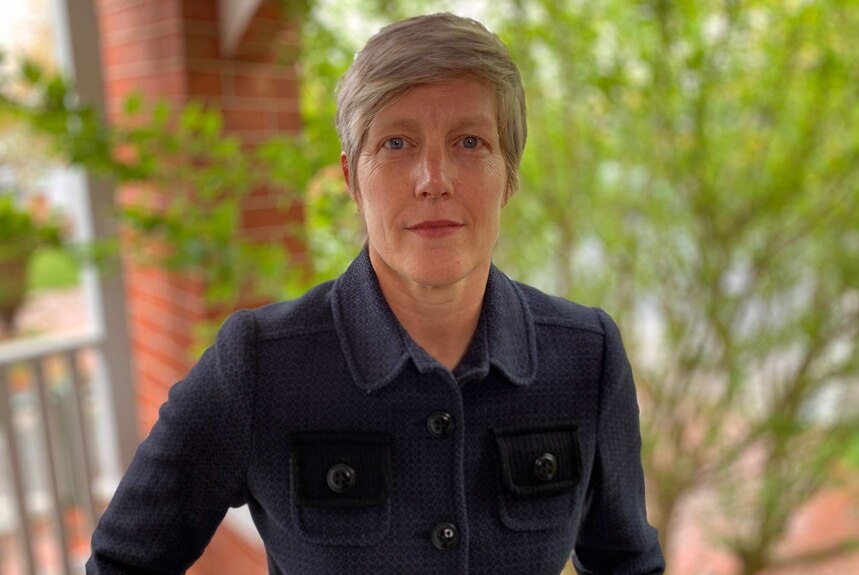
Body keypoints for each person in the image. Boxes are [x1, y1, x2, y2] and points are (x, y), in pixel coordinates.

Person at [87, 12, 665, 575]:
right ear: (351, 179)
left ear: (508, 173)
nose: (433, 179)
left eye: (469, 141)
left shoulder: (588, 357)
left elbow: (627, 563)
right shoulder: (258, 366)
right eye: (396, 143)